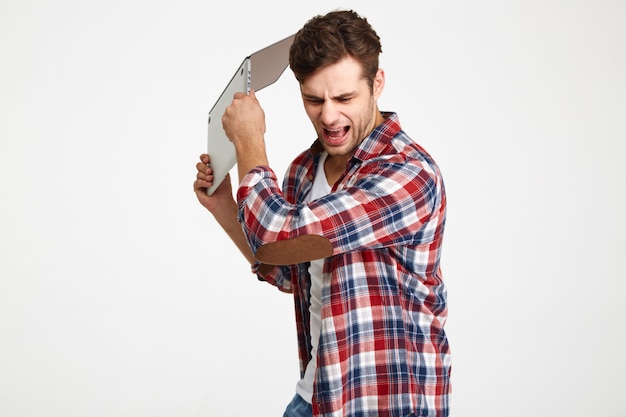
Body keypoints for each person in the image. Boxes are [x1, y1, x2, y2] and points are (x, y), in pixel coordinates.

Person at [193, 9, 451, 417]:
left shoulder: (407, 174)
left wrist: (249, 144)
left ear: (376, 84)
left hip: (384, 404)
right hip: (316, 397)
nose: (328, 116)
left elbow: (279, 234)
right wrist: (224, 204)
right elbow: (283, 266)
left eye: (345, 98)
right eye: (314, 99)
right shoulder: (303, 170)